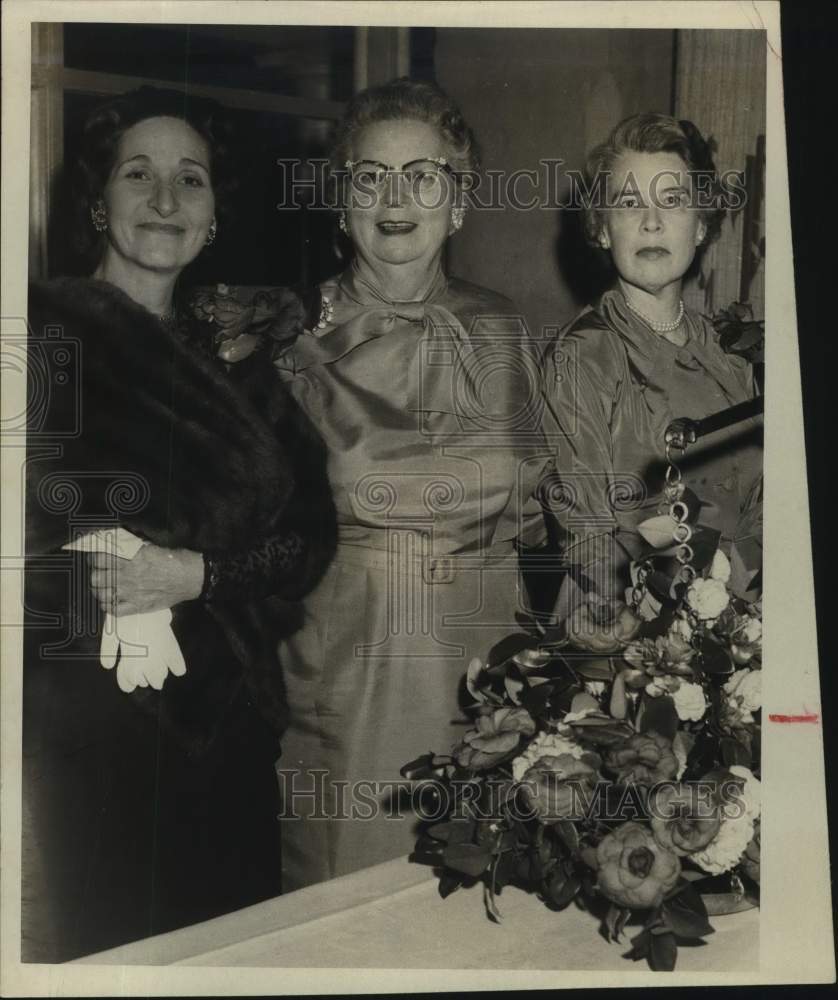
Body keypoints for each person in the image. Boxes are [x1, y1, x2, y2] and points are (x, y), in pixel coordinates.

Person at [23, 86, 336, 961]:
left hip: (231, 724)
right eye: (138, 174)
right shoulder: (38, 332)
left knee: (233, 958)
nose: (165, 199)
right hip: (90, 724)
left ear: (211, 219)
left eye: (190, 180)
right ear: (98, 199)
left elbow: (310, 540)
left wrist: (197, 574)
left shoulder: (242, 363)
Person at [273, 78, 549, 889]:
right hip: (340, 665)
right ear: (340, 200)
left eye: (424, 176)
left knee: (475, 904)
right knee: (335, 911)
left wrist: (359, 475)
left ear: (458, 204)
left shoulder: (496, 324)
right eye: (370, 177)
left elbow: (499, 484)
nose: (397, 198)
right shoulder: (283, 335)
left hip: (474, 664)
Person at [541, 113, 762, 623]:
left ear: (701, 223)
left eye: (672, 201)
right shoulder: (583, 357)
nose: (651, 222)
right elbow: (588, 540)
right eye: (628, 203)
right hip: (625, 629)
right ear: (600, 229)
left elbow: (764, 512)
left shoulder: (729, 358)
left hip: (739, 625)